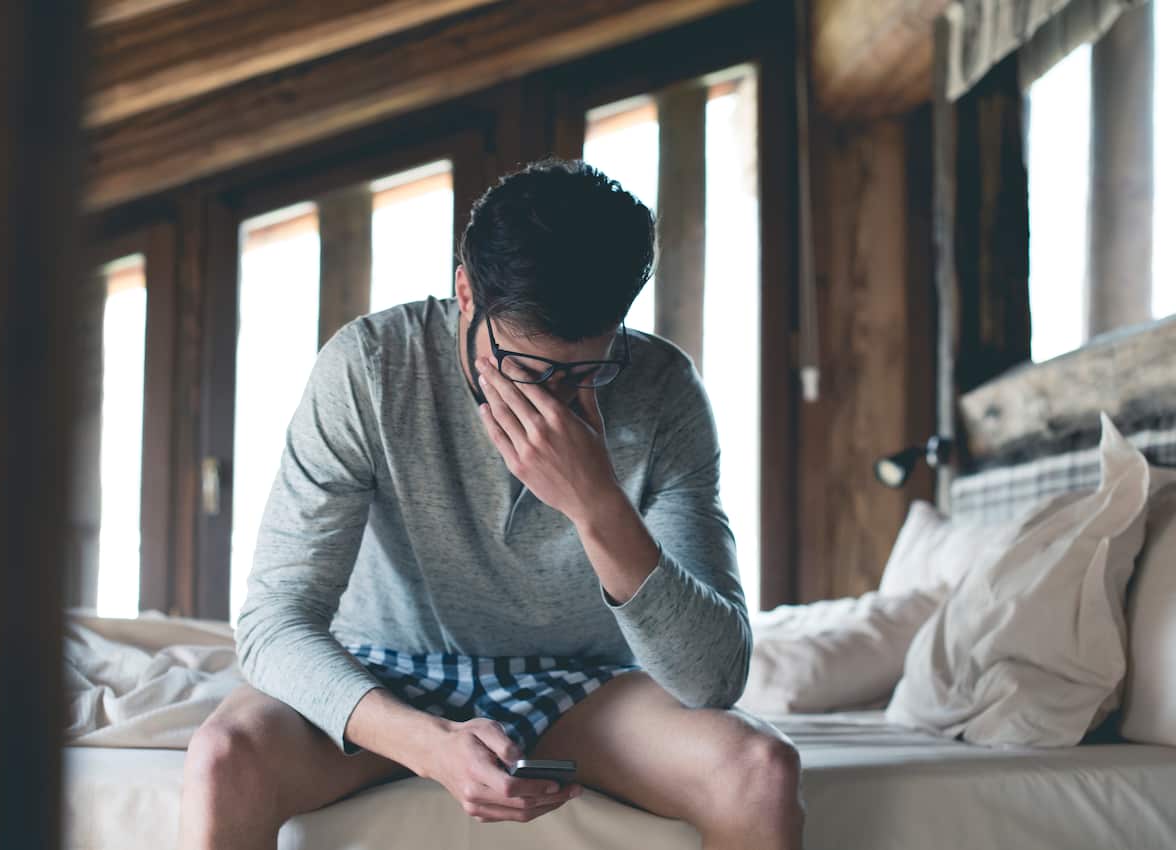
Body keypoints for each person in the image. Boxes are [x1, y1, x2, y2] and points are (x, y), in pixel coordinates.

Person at [180, 158, 803, 850]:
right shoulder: (371, 367)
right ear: (466, 294)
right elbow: (272, 622)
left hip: (585, 683)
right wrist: (426, 743)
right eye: (525, 371)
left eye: (587, 372)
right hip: (387, 666)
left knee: (760, 771)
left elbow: (712, 678)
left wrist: (596, 504)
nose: (552, 403)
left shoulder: (664, 390)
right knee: (222, 760)